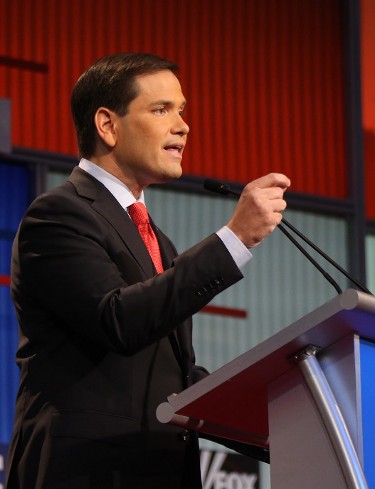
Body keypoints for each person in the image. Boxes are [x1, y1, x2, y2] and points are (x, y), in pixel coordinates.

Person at [6, 53, 290, 488]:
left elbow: (174, 378)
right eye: (161, 110)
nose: (183, 125)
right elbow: (117, 319)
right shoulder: (58, 214)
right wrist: (234, 239)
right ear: (108, 125)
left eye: (181, 110)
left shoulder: (159, 241)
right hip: (85, 473)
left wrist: (285, 429)